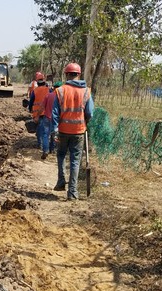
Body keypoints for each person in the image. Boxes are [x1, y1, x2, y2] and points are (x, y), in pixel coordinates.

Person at [51, 63, 94, 200]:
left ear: (66, 74)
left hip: (63, 130)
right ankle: (72, 192)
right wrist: (85, 121)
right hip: (79, 131)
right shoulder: (86, 91)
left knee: (61, 155)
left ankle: (61, 181)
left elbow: (55, 113)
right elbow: (90, 113)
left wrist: (55, 130)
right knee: (75, 161)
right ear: (79, 74)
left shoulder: (60, 91)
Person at [39, 81, 62, 159]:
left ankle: (45, 150)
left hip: (47, 117)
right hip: (57, 119)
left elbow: (42, 107)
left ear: (54, 88)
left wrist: (37, 115)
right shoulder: (61, 97)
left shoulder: (48, 95)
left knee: (45, 135)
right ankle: (52, 149)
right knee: (54, 134)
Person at [28, 78, 49, 149]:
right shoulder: (48, 90)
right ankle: (46, 144)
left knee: (39, 128)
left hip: (37, 113)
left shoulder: (35, 91)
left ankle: (40, 143)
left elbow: (31, 101)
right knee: (46, 128)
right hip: (46, 112)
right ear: (44, 83)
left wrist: (30, 109)